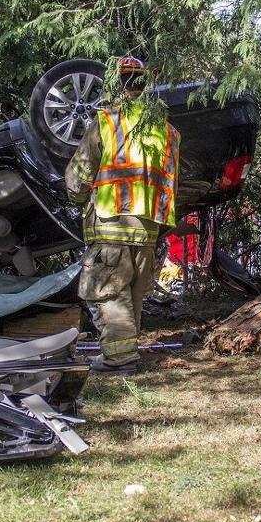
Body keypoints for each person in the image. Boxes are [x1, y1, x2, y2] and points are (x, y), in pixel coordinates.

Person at [65, 57, 180, 371]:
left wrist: (77, 196)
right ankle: (125, 354)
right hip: (148, 231)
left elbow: (77, 180)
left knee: (107, 292)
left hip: (111, 221)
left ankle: (121, 359)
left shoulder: (107, 122)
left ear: (116, 86)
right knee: (131, 295)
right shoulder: (168, 131)